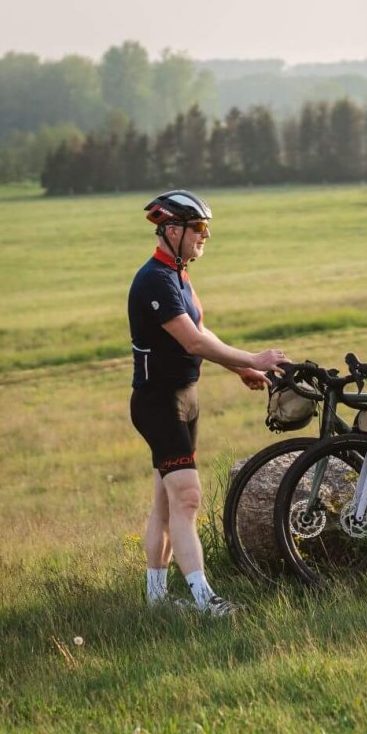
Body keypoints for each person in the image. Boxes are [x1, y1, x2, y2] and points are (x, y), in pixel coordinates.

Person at [129, 190, 288, 614]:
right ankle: (204, 599)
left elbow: (203, 330)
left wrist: (239, 367)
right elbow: (192, 340)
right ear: (172, 230)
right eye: (198, 227)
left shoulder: (178, 275)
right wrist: (255, 357)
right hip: (159, 401)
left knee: (166, 502)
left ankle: (156, 599)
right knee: (187, 497)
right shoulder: (154, 280)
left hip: (184, 398)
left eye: (205, 227)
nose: (206, 235)